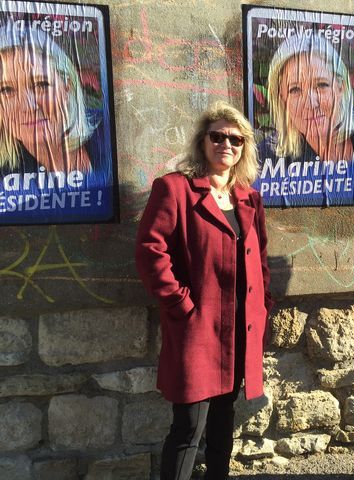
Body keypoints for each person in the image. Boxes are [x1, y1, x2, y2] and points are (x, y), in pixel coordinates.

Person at [135, 101, 273, 480]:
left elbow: (259, 258)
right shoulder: (175, 190)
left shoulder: (249, 197)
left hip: (239, 330)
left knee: (223, 421)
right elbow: (150, 252)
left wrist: (263, 305)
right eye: (217, 136)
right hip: (198, 328)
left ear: (244, 148)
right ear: (202, 142)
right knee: (188, 427)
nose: (226, 144)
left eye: (236, 138)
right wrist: (181, 304)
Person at [0, 23, 96, 174]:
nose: (28, 106)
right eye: (6, 90)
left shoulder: (107, 135)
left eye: (41, 85)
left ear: (67, 86)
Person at [265, 33, 354, 163]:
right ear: (281, 96)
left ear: (341, 87)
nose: (310, 103)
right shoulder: (265, 158)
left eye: (322, 85)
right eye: (295, 89)